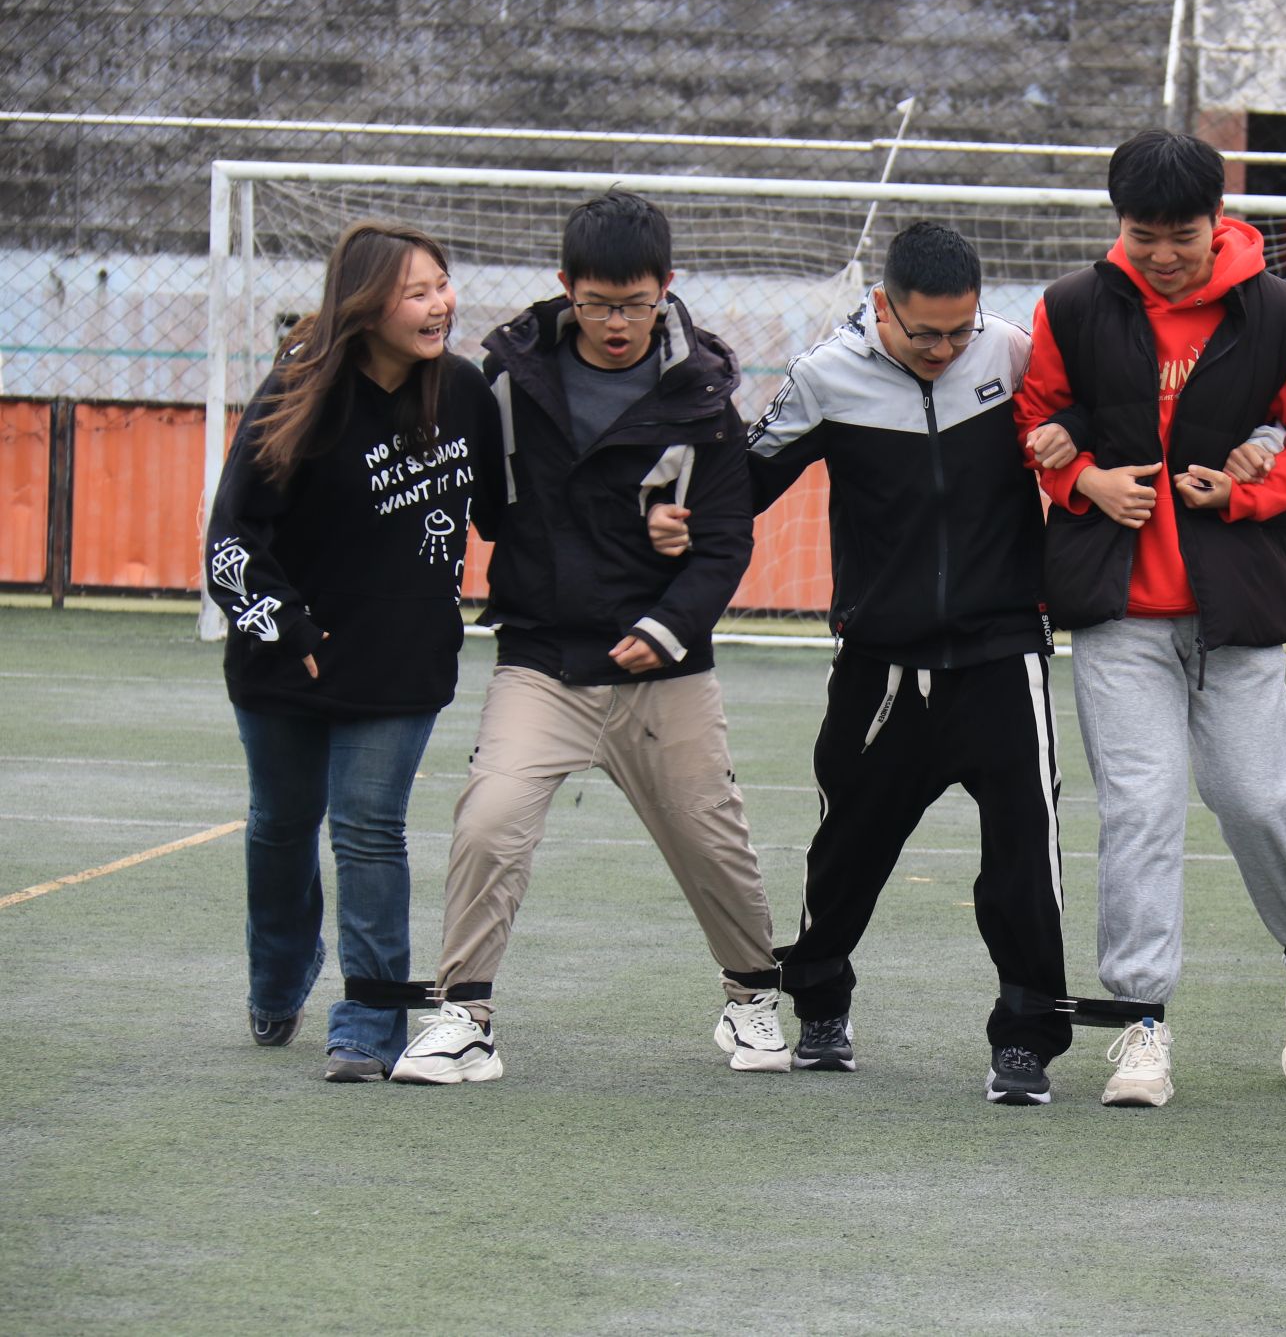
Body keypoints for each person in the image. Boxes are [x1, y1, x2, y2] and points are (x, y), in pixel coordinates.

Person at [652, 221, 1073, 1105]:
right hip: (880, 667)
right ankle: (821, 1004)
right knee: (847, 850)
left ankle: (1026, 1034)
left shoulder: (1014, 353)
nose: (944, 349)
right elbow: (741, 481)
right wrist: (671, 509)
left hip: (1003, 656)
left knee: (1025, 856)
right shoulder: (824, 375)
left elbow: (1078, 431)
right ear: (883, 306)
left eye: (959, 332)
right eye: (925, 333)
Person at [390, 191, 786, 1084]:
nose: (616, 324)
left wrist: (668, 622)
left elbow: (727, 537)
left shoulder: (707, 397)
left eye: (635, 304)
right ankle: (464, 1018)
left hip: (666, 671)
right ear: (566, 286)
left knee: (713, 840)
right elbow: (487, 509)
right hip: (544, 658)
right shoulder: (503, 381)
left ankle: (753, 997)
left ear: (666, 288)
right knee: (489, 820)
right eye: (599, 303)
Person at [1016, 130, 1286, 1108]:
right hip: (1116, 609)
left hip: (1235, 608)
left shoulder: (1281, 313)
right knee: (1140, 806)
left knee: (1258, 799)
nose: (1163, 255)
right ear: (1117, 225)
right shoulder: (1071, 306)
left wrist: (1246, 494)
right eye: (1143, 236)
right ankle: (1140, 1022)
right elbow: (1034, 417)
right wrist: (1082, 479)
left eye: (1182, 236)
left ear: (1218, 222)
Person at [205, 220, 497, 1082]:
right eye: (417, 292)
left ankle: (369, 1019)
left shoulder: (465, 392)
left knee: (368, 828)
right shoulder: (298, 392)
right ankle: (278, 973)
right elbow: (232, 536)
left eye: (442, 284)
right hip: (288, 656)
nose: (440, 304)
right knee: (281, 824)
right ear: (366, 306)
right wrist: (288, 629)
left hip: (402, 660)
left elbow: (511, 514)